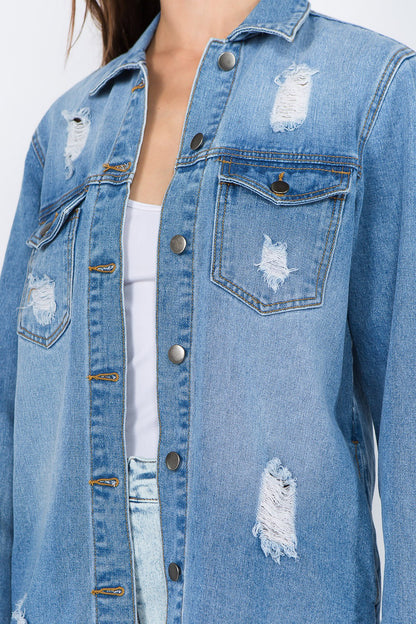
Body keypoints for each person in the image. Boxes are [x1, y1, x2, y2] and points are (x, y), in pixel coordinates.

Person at [1, 0, 416, 621]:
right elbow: (12, 418)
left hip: (266, 592)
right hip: (69, 586)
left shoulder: (372, 91)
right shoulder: (68, 131)